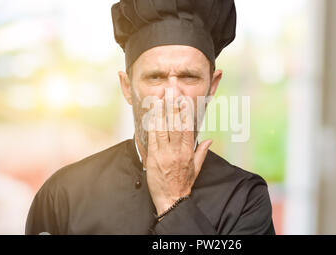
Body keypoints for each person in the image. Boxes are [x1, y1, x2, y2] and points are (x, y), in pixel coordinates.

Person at [25, 0, 275, 235]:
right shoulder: (63, 195)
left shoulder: (245, 198)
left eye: (189, 77)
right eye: (155, 77)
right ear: (127, 87)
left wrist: (173, 201)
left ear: (212, 85)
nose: (172, 95)